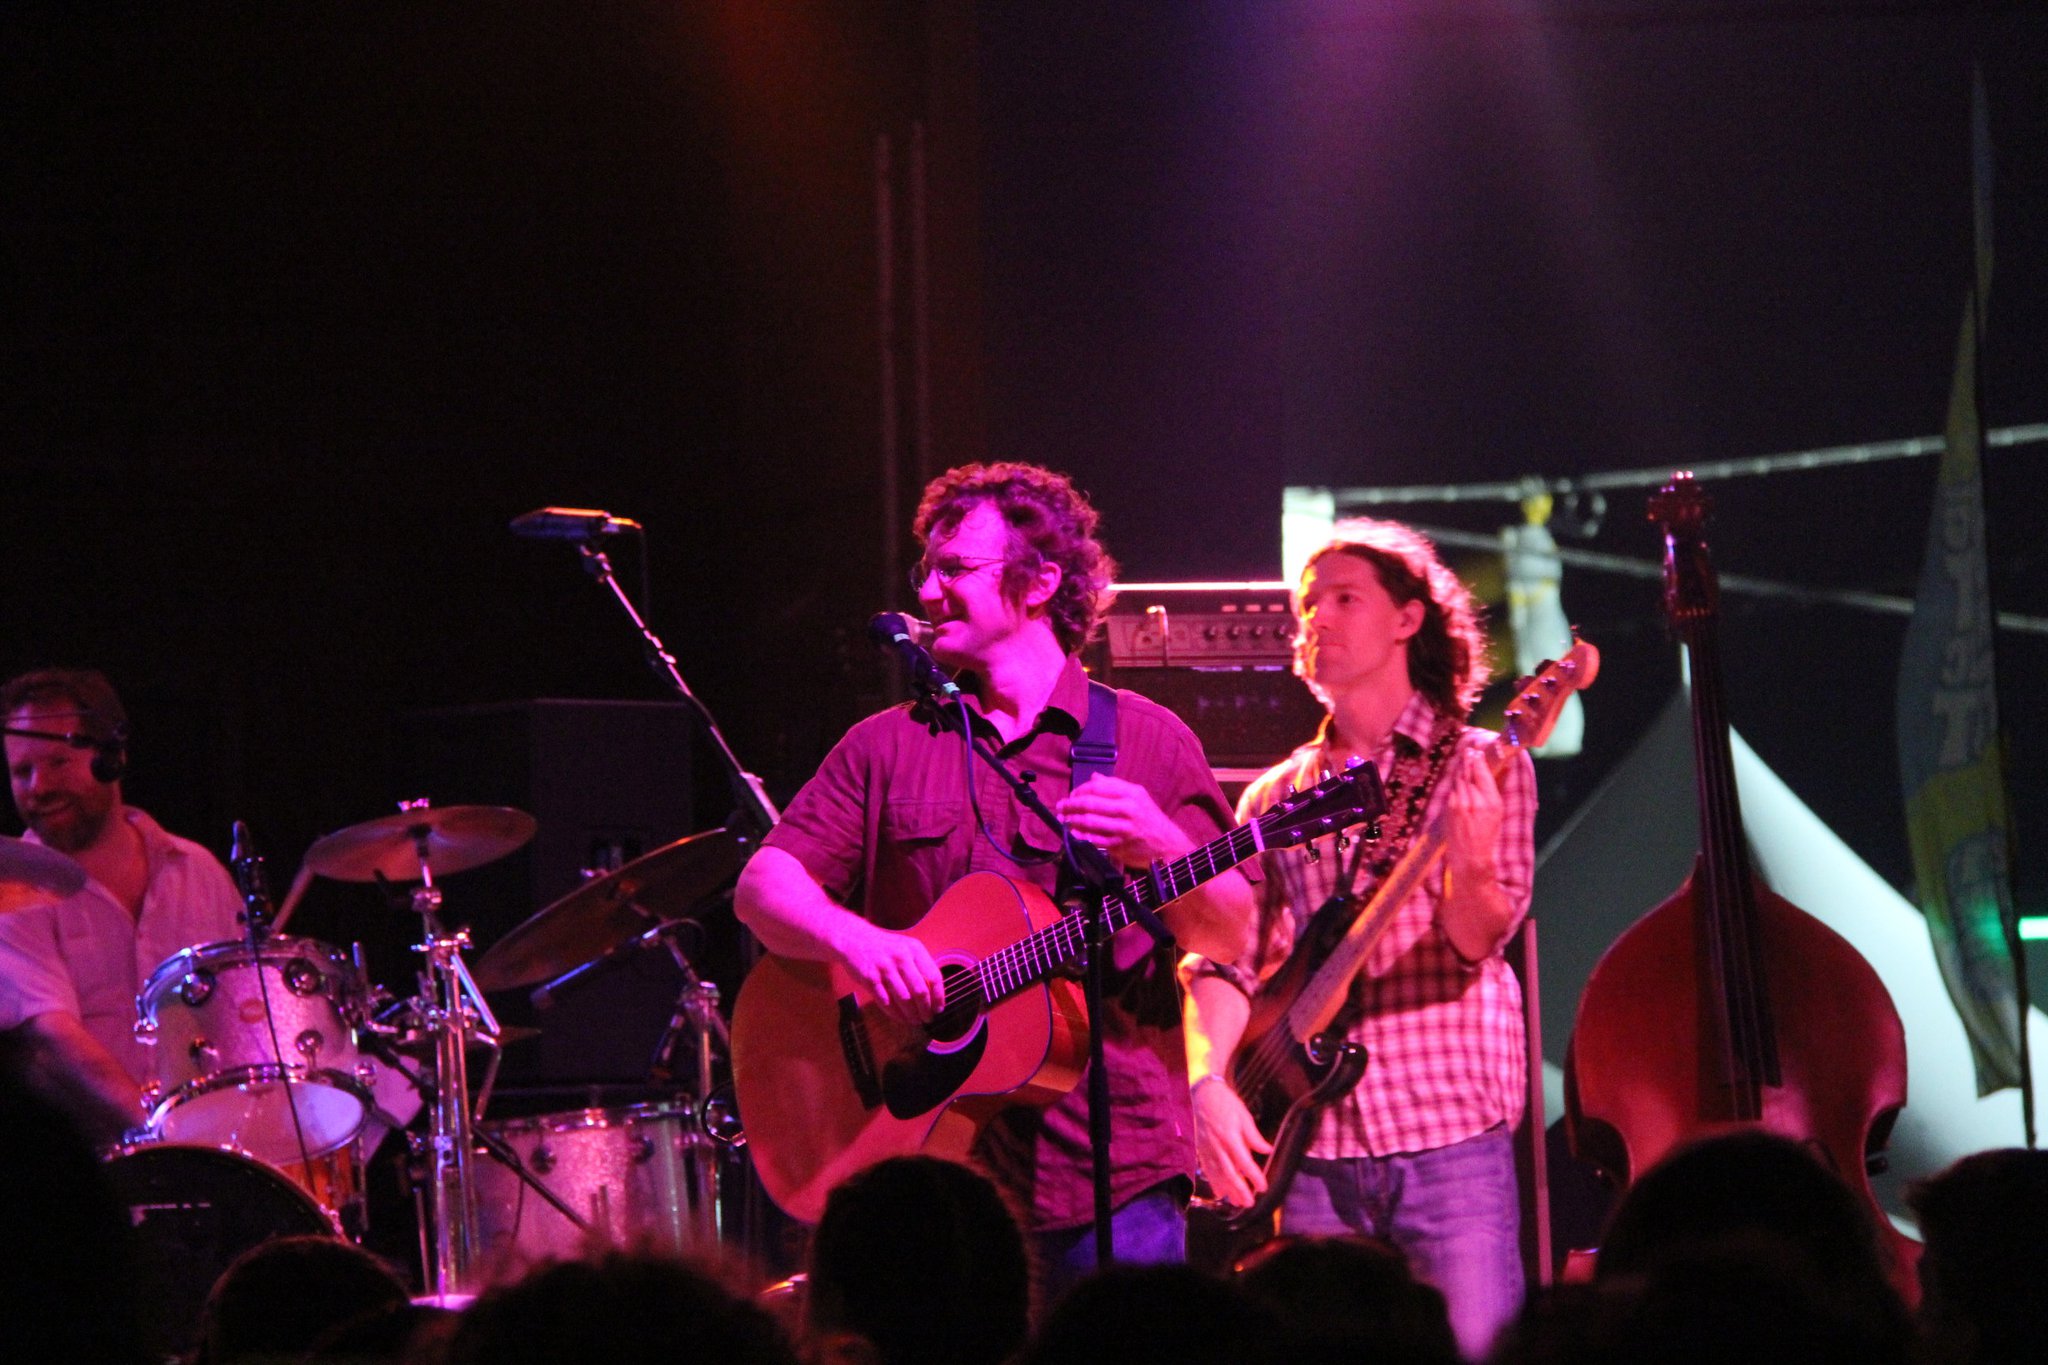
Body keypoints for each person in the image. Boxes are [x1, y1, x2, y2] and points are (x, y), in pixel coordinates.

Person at [735, 461, 1257, 1294]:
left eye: (955, 569)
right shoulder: (888, 744)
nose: (927, 591)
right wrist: (861, 944)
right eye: (926, 570)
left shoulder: (1148, 741)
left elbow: (1230, 933)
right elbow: (763, 886)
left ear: (1040, 582)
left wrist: (1160, 842)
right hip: (932, 1181)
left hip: (1113, 1176)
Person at [1181, 517, 1535, 1359]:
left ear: (1409, 618)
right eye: (1309, 605)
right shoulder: (1274, 796)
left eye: (1345, 598)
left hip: (1447, 1134)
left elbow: (1476, 940)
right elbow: (1225, 959)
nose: (1318, 619)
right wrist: (1205, 1081)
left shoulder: (1483, 763)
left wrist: (1470, 863)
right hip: (1311, 1147)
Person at [0, 668, 243, 1143]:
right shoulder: (11, 893)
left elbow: (244, 1012)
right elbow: (55, 1036)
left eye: (57, 763)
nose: (38, 786)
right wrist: (166, 1139)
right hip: (84, 1163)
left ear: (112, 757)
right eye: (22, 772)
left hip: (211, 1145)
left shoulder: (198, 870)